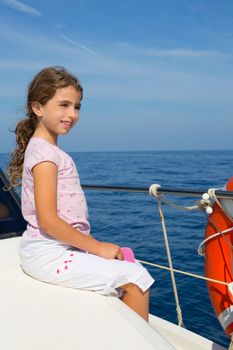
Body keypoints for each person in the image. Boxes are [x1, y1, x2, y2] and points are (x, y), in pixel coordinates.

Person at [8, 66, 154, 321]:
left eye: (77, 107)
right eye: (63, 105)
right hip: (49, 252)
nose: (72, 114)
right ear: (37, 107)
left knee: (127, 267)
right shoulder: (45, 156)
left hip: (55, 248)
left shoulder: (46, 150)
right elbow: (49, 221)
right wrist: (97, 247)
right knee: (137, 279)